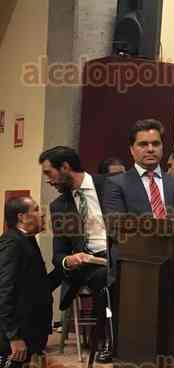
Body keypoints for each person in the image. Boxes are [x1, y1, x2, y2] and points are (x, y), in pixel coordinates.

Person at [39, 146, 114, 363]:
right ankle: (110, 341)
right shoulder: (59, 206)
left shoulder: (110, 186)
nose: (48, 180)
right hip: (90, 264)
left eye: (49, 173)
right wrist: (68, 260)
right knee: (105, 278)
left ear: (65, 167)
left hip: (120, 255)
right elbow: (58, 254)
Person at [0, 197, 56, 368]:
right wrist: (14, 337)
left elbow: (38, 286)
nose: (42, 214)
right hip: (17, 338)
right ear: (22, 217)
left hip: (32, 331)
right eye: (36, 209)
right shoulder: (12, 243)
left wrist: (67, 266)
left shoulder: (27, 240)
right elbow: (4, 291)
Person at [103, 119, 174, 218]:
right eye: (143, 144)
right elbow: (116, 224)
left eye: (156, 144)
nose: (150, 149)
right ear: (132, 150)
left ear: (162, 147)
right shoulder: (116, 184)